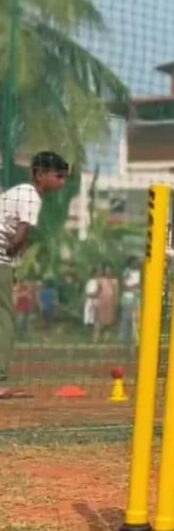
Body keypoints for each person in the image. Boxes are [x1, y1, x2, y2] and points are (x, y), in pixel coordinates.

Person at [0, 151, 68, 393]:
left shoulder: (20, 191)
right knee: (5, 318)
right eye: (58, 176)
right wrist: (12, 253)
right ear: (40, 174)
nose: (63, 182)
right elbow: (20, 236)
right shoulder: (31, 197)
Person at [93, 265, 119, 344]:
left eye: (109, 270)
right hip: (102, 302)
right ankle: (96, 338)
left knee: (109, 322)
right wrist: (95, 301)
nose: (108, 272)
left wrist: (116, 302)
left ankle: (106, 338)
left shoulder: (114, 281)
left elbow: (116, 292)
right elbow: (97, 291)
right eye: (107, 270)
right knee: (99, 321)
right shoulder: (100, 280)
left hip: (110, 303)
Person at [120, 258, 142, 347]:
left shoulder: (140, 273)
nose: (136, 263)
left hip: (137, 298)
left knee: (137, 319)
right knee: (127, 319)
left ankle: (136, 339)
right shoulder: (127, 272)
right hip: (128, 298)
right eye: (134, 262)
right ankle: (125, 339)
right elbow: (124, 285)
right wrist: (133, 287)